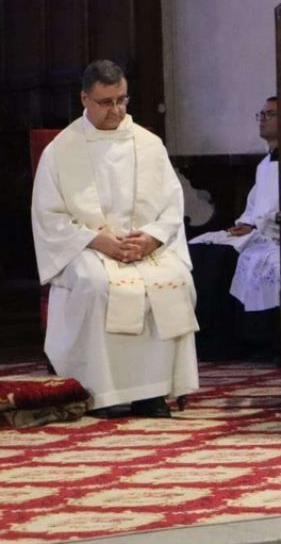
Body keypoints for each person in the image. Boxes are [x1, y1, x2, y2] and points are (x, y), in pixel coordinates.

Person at [31, 59, 199, 417]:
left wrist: (152, 238)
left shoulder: (149, 144)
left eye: (122, 100)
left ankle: (152, 393)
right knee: (95, 284)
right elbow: (49, 218)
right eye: (106, 102)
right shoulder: (61, 151)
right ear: (84, 100)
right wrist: (97, 240)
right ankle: (98, 392)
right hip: (88, 246)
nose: (117, 110)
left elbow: (172, 205)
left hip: (142, 245)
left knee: (175, 280)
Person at [189, 96, 281, 361]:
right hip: (255, 231)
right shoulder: (264, 165)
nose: (263, 119)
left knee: (221, 258)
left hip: (274, 237)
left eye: (270, 114)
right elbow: (254, 205)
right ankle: (202, 340)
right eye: (261, 114)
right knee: (197, 249)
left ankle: (224, 343)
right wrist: (244, 223)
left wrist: (254, 224)